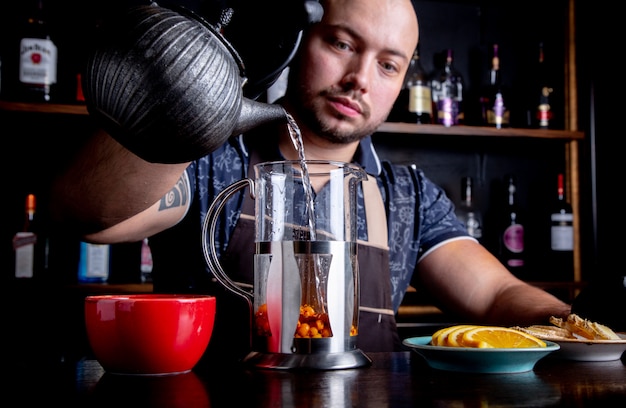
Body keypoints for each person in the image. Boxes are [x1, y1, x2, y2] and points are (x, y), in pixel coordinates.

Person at [51, 0, 571, 362]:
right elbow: (90, 215)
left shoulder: (406, 196)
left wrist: (575, 327)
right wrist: (201, 84)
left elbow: (498, 294)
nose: (359, 79)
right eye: (342, 44)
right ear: (297, 42)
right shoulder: (211, 161)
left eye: (388, 65)